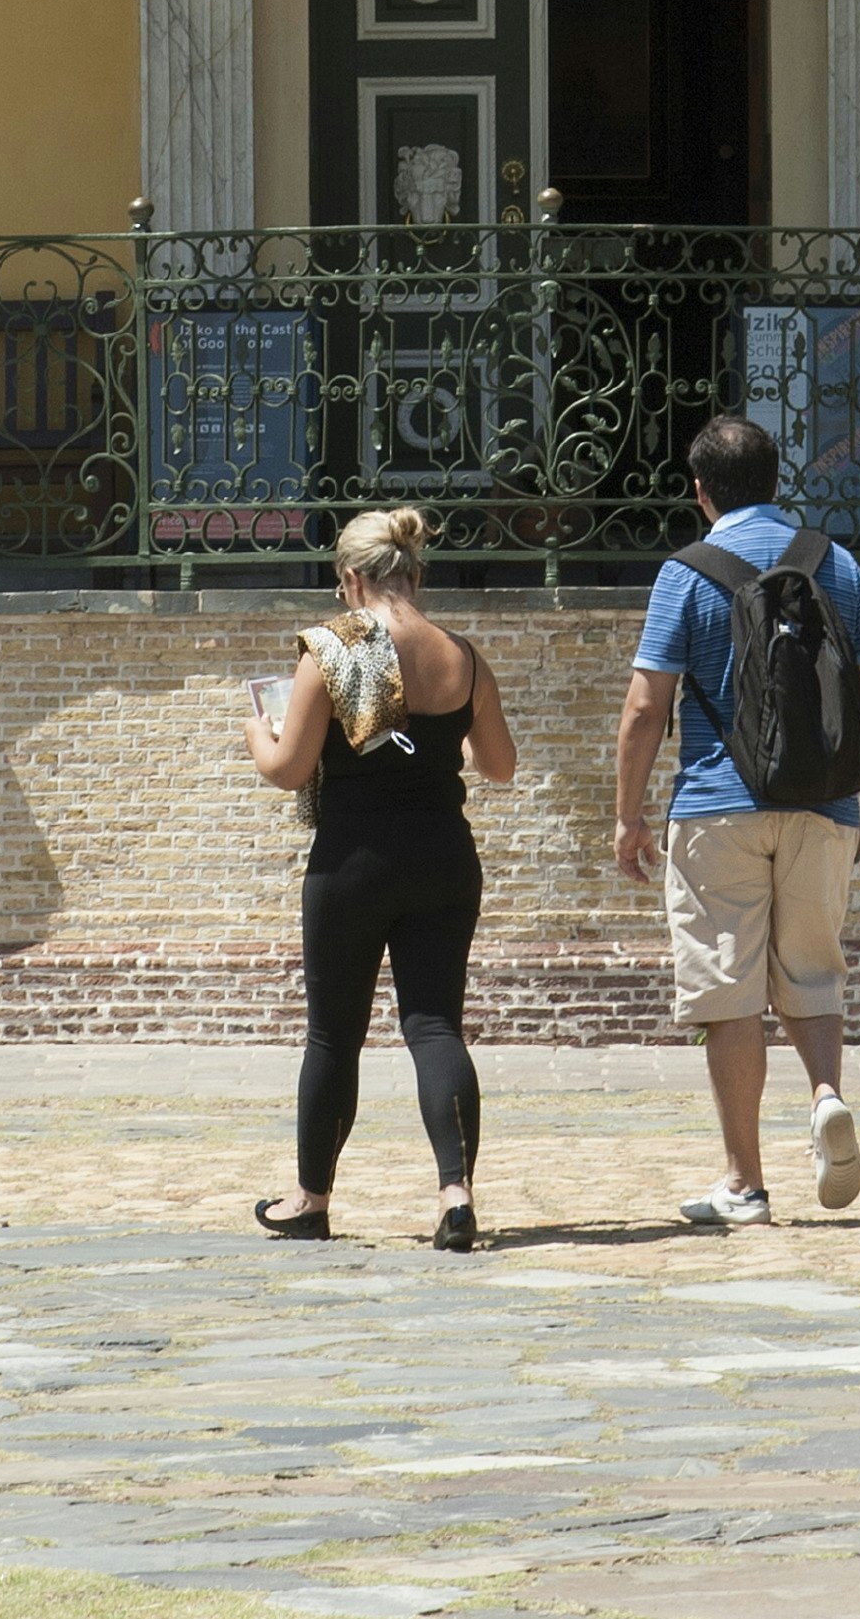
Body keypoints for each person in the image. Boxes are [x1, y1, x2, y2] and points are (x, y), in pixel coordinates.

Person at [612, 416, 860, 1226]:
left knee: (727, 988)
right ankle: (823, 1097)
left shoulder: (685, 573)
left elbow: (647, 704)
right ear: (778, 480)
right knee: (811, 968)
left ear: (700, 490)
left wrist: (628, 815)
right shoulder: (835, 564)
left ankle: (743, 1183)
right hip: (823, 806)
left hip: (716, 807)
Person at [243, 504, 515, 1248]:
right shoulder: (462, 654)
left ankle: (311, 1199)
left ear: (353, 577)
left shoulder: (331, 649)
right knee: (434, 1025)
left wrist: (256, 735)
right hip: (444, 858)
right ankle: (455, 1194)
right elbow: (500, 764)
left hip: (352, 862)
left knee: (334, 1037)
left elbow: (290, 767)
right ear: (415, 574)